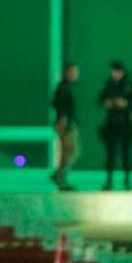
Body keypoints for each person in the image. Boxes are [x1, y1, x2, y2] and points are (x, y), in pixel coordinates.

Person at [98, 61, 132, 191]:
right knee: (110, 153)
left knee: (127, 152)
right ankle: (109, 180)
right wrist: (108, 103)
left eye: (117, 71)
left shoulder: (131, 85)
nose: (115, 74)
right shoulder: (108, 84)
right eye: (113, 71)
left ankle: (127, 180)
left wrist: (126, 104)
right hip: (112, 122)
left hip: (126, 122)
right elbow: (100, 99)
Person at [50, 63, 80, 191]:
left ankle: (60, 176)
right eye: (73, 72)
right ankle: (60, 176)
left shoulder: (68, 87)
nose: (76, 75)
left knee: (70, 151)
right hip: (66, 124)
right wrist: (62, 119)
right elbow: (59, 104)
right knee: (71, 151)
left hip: (70, 123)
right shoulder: (63, 88)